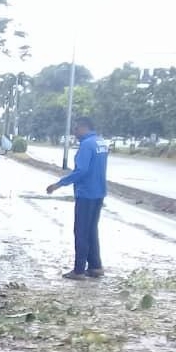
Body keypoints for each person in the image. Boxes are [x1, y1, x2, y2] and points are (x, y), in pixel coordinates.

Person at [46, 116, 109, 280]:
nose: (74, 132)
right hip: (99, 192)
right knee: (91, 230)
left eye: (76, 129)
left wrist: (59, 184)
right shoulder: (100, 142)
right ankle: (95, 266)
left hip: (86, 194)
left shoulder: (87, 145)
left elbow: (81, 171)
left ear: (83, 127)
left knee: (81, 231)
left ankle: (79, 270)